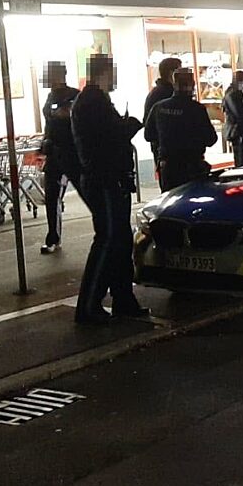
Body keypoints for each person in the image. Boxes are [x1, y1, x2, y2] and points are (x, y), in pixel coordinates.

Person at [71, 55, 147, 324]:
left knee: (119, 240)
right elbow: (109, 136)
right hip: (104, 179)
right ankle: (89, 305)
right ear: (103, 73)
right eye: (112, 73)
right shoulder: (94, 102)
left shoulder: (92, 100)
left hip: (107, 177)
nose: (114, 78)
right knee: (108, 239)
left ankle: (123, 299)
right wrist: (129, 125)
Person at [145, 69, 218, 191]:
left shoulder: (159, 107)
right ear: (193, 85)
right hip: (192, 167)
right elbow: (211, 139)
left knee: (169, 204)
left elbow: (148, 135)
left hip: (168, 167)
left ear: (174, 84)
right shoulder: (196, 109)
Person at [38, 62, 80, 255]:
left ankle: (105, 230)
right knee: (52, 195)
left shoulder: (74, 95)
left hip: (72, 153)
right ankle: (53, 237)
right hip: (55, 153)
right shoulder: (50, 97)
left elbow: (71, 115)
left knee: (88, 192)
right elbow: (50, 122)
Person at [143, 57, 183, 170]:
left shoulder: (154, 94)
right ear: (172, 73)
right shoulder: (168, 94)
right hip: (172, 151)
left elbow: (147, 126)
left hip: (162, 152)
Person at [223, 70, 243, 166]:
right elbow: (239, 113)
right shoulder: (231, 95)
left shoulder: (242, 93)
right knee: (241, 159)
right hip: (237, 132)